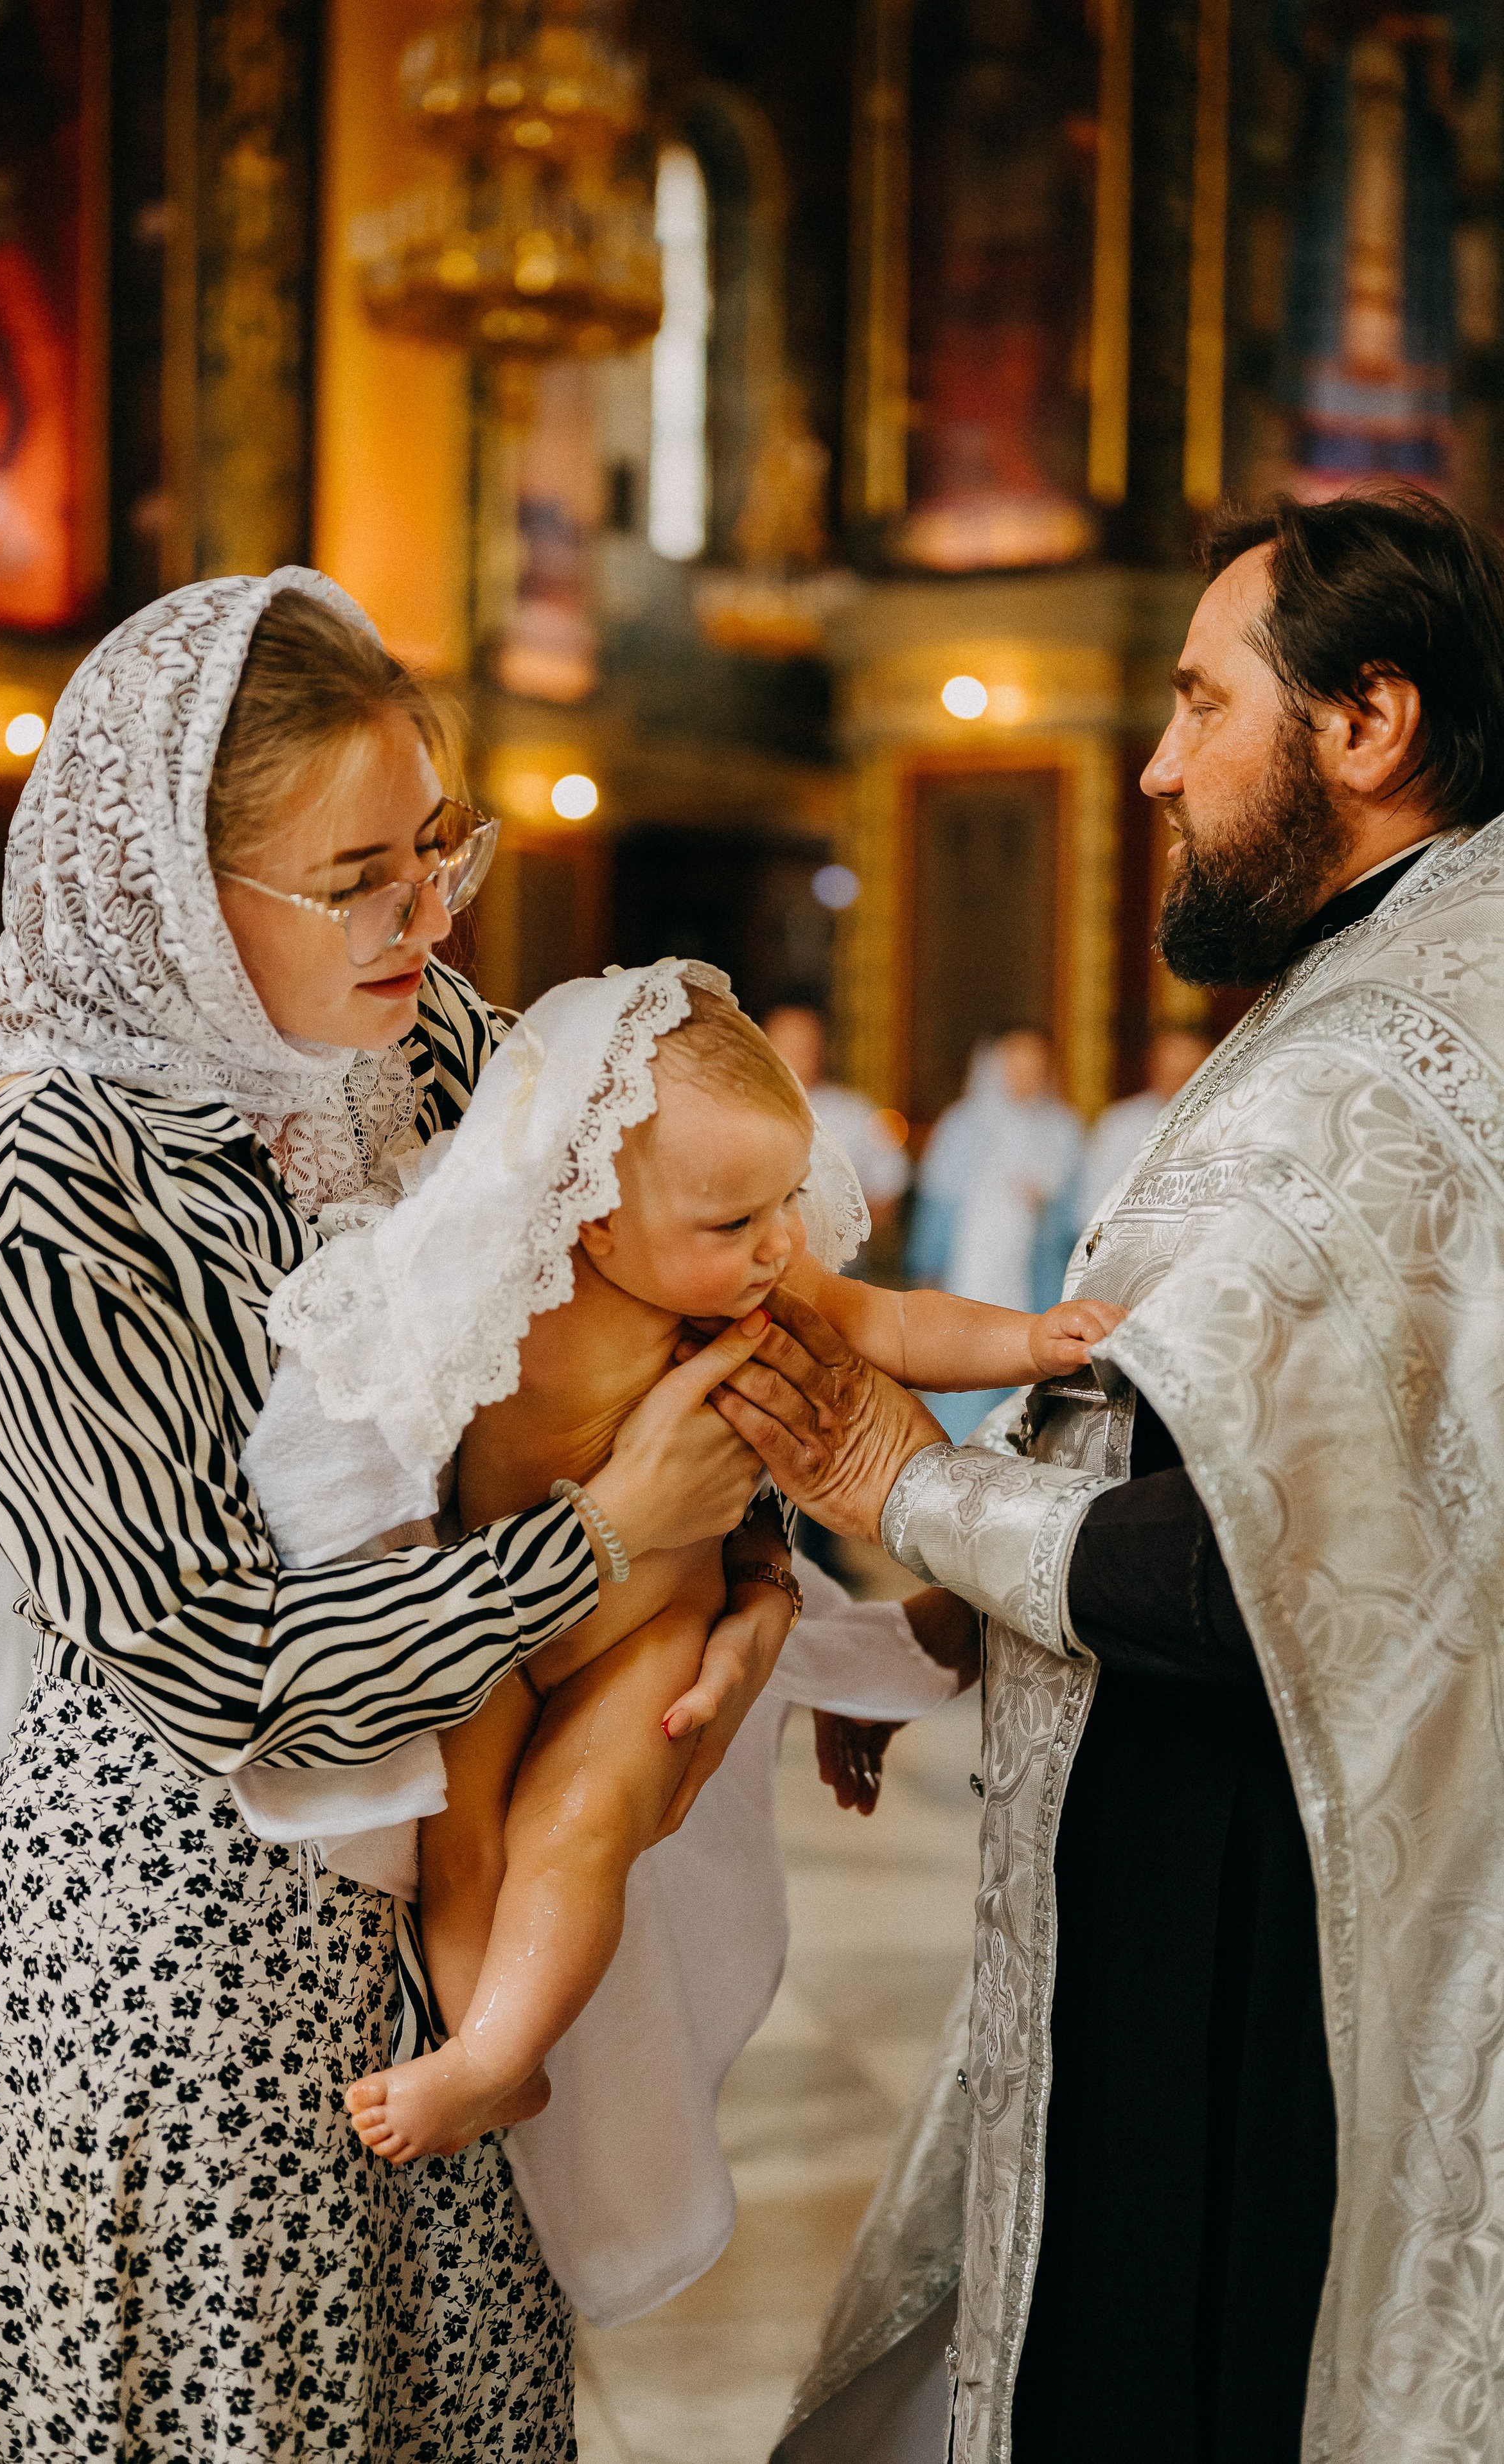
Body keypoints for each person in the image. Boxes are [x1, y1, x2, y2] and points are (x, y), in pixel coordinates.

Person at [0, 571, 792, 2462]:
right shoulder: (56, 1179)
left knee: (451, 2399)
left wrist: (761, 1577)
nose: (426, 915)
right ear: (170, 886)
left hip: (445, 1895)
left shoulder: (446, 1057)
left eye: (435, 848)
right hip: (194, 1940)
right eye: (357, 874)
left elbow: (644, 1315)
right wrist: (605, 1542)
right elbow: (221, 1666)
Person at [716, 486, 1504, 2464]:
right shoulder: (1387, 991)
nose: (1154, 766)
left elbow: (1267, 1569)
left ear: (1365, 720)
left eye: (1194, 702)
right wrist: (951, 1614)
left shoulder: (1376, 1064)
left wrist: (900, 1481)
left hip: (1259, 1911)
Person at [241, 960, 1115, 2166]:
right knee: (463, 1837)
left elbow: (902, 1325)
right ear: (593, 1215)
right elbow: (371, 1388)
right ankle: (468, 2038)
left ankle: (502, 2051)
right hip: (494, 1622)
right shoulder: (499, 1283)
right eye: (733, 1223)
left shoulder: (744, 1289)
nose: (777, 1250)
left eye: (786, 1208)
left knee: (577, 1824)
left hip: (646, 1639)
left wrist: (1027, 1341)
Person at [905, 1027, 1084, 1442]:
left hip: (1038, 1274)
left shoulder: (1062, 1128)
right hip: (970, 1273)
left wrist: (1044, 1205)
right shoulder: (963, 1125)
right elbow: (939, 1204)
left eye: (1035, 1066)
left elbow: (1075, 1217)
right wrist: (929, 1270)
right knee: (963, 1366)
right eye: (1015, 1064)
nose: (1025, 1076)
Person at [761, 993, 911, 1234]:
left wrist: (837, 1226)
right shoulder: (742, 1108)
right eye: (784, 1044)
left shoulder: (856, 1113)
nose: (793, 1059)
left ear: (823, 1047)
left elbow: (888, 1190)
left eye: (804, 1047)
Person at [1076, 1023, 1213, 1222]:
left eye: (1189, 1072)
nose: (1179, 1082)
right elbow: (1091, 1208)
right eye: (1171, 1069)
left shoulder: (1221, 1122)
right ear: (1153, 1065)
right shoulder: (1120, 1124)